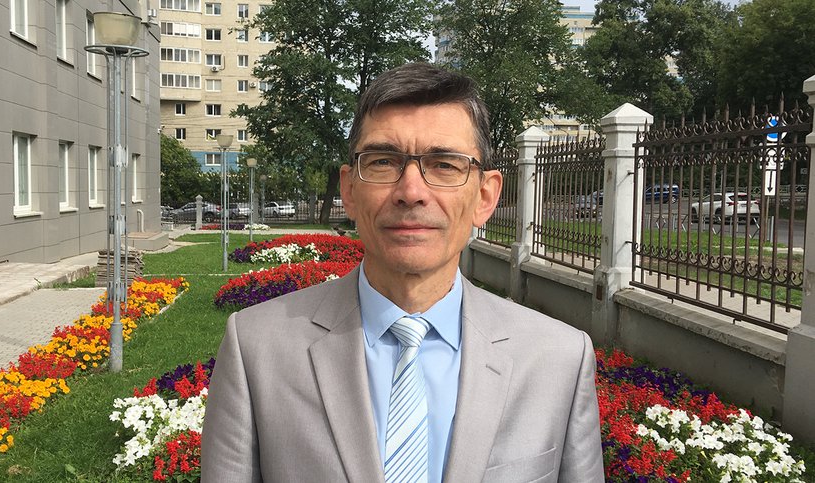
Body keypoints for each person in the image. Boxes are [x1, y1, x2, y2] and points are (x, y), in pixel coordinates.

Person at [202, 62, 604, 483]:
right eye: (382, 162)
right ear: (349, 190)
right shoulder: (257, 348)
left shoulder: (557, 358)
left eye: (445, 164)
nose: (411, 191)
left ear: (485, 197)